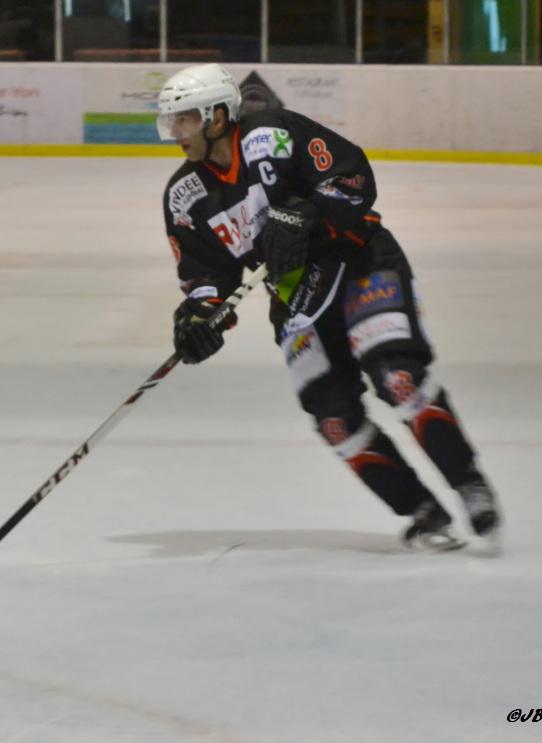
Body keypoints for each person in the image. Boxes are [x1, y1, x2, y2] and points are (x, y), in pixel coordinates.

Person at [157, 63, 501, 551]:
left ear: (216, 117)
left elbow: (352, 177)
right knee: (335, 419)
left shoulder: (274, 134)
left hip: (360, 261)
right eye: (172, 121)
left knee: (398, 378)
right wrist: (199, 315)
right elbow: (207, 275)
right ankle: (423, 512)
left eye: (185, 120)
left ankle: (468, 483)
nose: (176, 133)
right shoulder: (183, 197)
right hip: (296, 298)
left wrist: (307, 214)